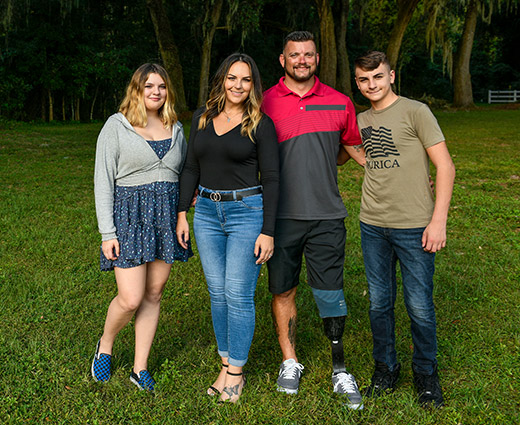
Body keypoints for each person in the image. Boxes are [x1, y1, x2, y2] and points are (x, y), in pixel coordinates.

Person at [260, 30, 366, 409]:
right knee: (283, 290)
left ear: (317, 59)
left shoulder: (339, 102)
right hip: (279, 217)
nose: (301, 60)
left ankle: (340, 368)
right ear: (282, 60)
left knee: (330, 292)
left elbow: (351, 148)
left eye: (307, 55)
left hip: (326, 215)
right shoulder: (265, 102)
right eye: (294, 55)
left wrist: (408, 172)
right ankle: (290, 362)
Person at [350, 50, 455, 408]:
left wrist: (437, 220)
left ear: (391, 76)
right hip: (372, 224)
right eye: (363, 80)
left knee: (419, 305)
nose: (371, 85)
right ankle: (386, 369)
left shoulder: (416, 111)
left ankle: (426, 375)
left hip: (414, 226)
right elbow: (348, 144)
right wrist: (356, 153)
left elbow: (445, 166)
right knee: (379, 303)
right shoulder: (360, 119)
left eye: (377, 77)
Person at [176, 53, 279, 404]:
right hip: (205, 212)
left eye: (245, 80)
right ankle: (225, 362)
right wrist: (181, 213)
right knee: (216, 291)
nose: (237, 85)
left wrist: (268, 230)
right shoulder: (202, 118)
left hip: (246, 213)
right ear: (221, 80)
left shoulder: (261, 124)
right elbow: (191, 167)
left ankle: (236, 372)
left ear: (254, 85)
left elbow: (274, 179)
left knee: (237, 292)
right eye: (232, 78)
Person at [92, 63, 192, 392]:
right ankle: (105, 345)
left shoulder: (175, 127)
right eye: (149, 86)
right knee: (131, 297)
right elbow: (103, 182)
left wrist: (183, 211)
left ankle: (140, 368)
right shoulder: (117, 126)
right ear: (136, 89)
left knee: (154, 293)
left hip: (165, 218)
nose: (156, 92)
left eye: (162, 87)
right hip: (130, 218)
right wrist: (108, 233)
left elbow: (185, 174)